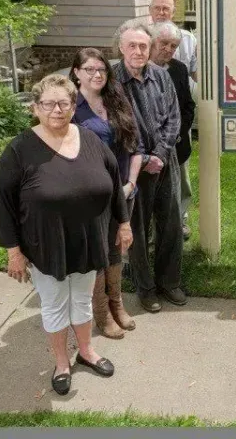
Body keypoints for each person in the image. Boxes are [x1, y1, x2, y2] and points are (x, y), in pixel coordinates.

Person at [0, 74, 132, 396]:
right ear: (36, 108)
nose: (57, 110)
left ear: (73, 106)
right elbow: (2, 204)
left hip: (87, 241)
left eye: (64, 103)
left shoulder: (90, 140)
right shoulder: (19, 150)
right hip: (45, 245)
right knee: (55, 304)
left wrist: (123, 224)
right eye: (48, 104)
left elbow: (114, 183)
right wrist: (13, 251)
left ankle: (85, 352)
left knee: (81, 300)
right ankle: (61, 362)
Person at [69, 48, 143, 339]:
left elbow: (135, 146)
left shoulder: (117, 100)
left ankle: (117, 304)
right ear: (76, 72)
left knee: (117, 248)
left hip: (124, 191)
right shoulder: (71, 108)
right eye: (89, 69)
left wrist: (132, 184)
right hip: (92, 196)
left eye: (101, 69)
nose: (97, 74)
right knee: (97, 254)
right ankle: (101, 313)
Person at [114, 23, 184, 313]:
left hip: (165, 161)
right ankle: (146, 288)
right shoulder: (112, 82)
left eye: (143, 46)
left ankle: (169, 282)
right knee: (138, 232)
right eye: (132, 45)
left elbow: (173, 117)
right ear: (121, 47)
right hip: (134, 168)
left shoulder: (161, 76)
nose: (138, 51)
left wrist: (160, 154)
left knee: (171, 224)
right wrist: (143, 158)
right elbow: (116, 126)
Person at [150, 22, 196, 178]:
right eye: (164, 43)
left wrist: (178, 132)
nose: (169, 49)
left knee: (177, 194)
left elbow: (188, 105)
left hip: (177, 145)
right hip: (148, 151)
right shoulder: (140, 69)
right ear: (152, 41)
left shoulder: (179, 69)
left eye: (174, 46)